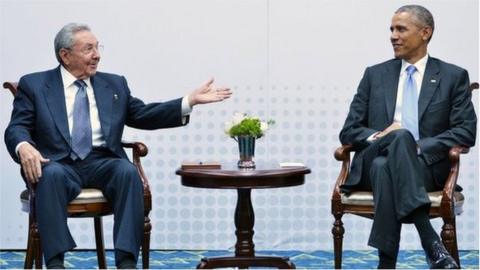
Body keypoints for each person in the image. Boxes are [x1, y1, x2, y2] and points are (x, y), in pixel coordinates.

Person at [4, 23, 232, 269]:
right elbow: (17, 128)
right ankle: (56, 263)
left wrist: (189, 101)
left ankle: (126, 262)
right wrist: (24, 145)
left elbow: (143, 114)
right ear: (65, 55)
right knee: (50, 175)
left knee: (126, 172)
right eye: (88, 48)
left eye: (98, 47)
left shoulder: (113, 85)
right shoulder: (36, 85)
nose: (97, 54)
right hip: (57, 163)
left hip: (101, 162)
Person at [339, 5, 476, 269]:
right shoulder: (375, 75)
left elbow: (465, 131)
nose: (393, 35)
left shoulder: (452, 76)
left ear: (425, 32)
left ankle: (386, 263)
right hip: (372, 159)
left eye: (401, 29)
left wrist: (417, 146)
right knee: (395, 141)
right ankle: (430, 242)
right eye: (391, 29)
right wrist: (381, 135)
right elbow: (349, 130)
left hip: (425, 167)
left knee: (386, 165)